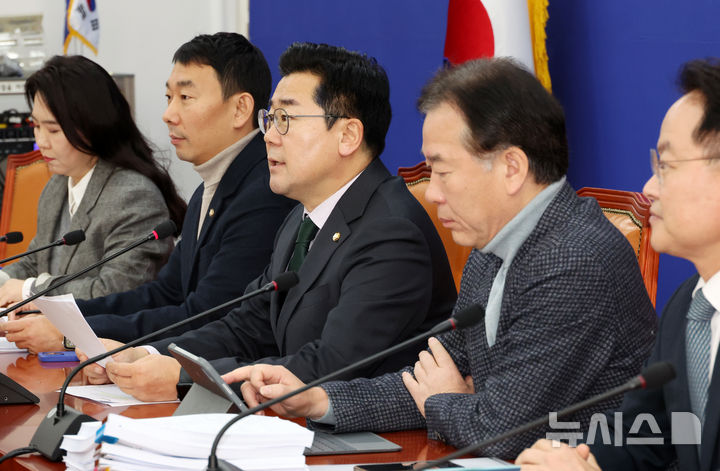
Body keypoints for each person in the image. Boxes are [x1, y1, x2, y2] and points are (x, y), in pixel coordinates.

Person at [223, 57, 658, 460]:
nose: (431, 193)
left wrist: (442, 401)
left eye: (443, 171)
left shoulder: (572, 259)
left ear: (511, 168)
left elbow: (502, 429)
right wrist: (319, 399)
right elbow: (425, 378)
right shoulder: (491, 250)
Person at [80, 42, 457, 403]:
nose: (270, 136)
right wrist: (146, 354)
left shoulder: (391, 232)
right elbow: (245, 327)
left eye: (285, 119)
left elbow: (329, 367)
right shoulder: (301, 217)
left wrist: (183, 376)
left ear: (347, 136)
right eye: (270, 119)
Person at [2, 33, 295, 353]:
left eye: (185, 97)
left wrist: (70, 331)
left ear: (240, 109)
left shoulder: (264, 193)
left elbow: (205, 315)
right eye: (169, 97)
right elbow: (164, 294)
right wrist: (60, 314)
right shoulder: (208, 189)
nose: (168, 114)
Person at [515, 58, 720, 471]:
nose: (648, 188)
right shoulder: (689, 305)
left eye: (666, 166)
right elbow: (651, 436)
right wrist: (586, 461)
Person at [0, 55, 186, 352]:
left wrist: (30, 290)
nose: (41, 141)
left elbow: (116, 290)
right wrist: (4, 280)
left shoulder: (133, 195)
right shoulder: (56, 185)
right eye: (36, 126)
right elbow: (37, 260)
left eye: (53, 130)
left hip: (111, 355)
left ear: (92, 125)